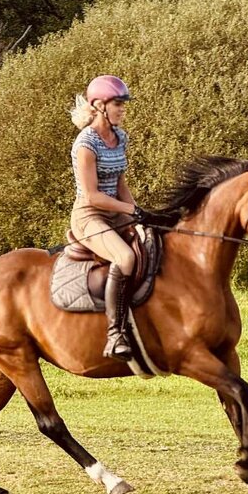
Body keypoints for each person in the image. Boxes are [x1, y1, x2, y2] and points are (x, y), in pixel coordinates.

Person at [69, 74, 142, 361]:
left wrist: (138, 214)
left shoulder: (120, 137)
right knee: (125, 258)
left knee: (154, 243)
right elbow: (93, 196)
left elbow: (121, 184)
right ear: (99, 106)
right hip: (90, 217)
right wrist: (130, 211)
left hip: (117, 214)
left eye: (123, 104)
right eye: (118, 104)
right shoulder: (85, 143)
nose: (123, 109)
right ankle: (115, 335)